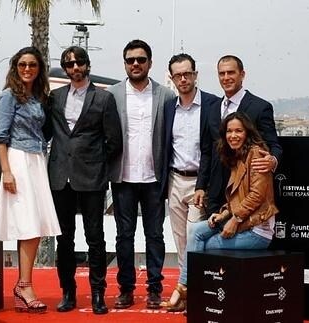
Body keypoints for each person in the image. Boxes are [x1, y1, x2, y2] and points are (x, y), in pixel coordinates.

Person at [164, 111, 279, 311]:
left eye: (238, 131)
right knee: (196, 231)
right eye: (229, 131)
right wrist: (224, 213)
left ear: (247, 133)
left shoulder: (257, 155)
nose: (233, 135)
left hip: (257, 229)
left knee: (205, 245)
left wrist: (234, 219)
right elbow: (237, 197)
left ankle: (190, 294)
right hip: (241, 221)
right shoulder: (238, 155)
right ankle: (184, 288)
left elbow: (256, 196)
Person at [45, 46, 123, 315]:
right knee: (64, 239)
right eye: (69, 64)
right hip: (59, 177)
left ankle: (98, 295)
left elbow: (114, 141)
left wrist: (96, 163)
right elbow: (45, 133)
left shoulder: (103, 98)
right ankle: (67, 292)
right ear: (65, 69)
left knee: (95, 238)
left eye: (79, 63)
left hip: (91, 177)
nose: (74, 67)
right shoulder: (54, 98)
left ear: (87, 65)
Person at [0, 46, 61, 314]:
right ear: (15, 67)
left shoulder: (39, 97)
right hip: (18, 160)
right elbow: (1, 136)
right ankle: (24, 285)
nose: (27, 69)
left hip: (36, 160)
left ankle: (24, 284)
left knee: (34, 226)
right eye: (22, 64)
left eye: (32, 65)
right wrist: (6, 171)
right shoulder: (8, 97)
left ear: (39, 68)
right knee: (28, 225)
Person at [107, 39, 176, 310]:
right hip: (122, 177)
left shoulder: (165, 96)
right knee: (124, 236)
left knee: (155, 236)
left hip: (153, 178)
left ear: (150, 62)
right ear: (124, 63)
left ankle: (155, 289)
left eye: (141, 59)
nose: (135, 64)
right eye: (130, 60)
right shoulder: (111, 94)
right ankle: (126, 289)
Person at [194, 55, 282, 224]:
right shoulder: (211, 109)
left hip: (244, 193)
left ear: (242, 74)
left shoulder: (260, 107)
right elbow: (207, 152)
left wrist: (273, 161)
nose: (226, 78)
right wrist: (200, 186)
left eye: (231, 72)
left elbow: (273, 145)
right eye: (222, 74)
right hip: (216, 193)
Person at [161, 53, 219, 268]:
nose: (183, 79)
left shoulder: (213, 104)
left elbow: (213, 148)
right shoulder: (168, 107)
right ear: (172, 78)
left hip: (200, 184)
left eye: (187, 74)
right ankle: (186, 287)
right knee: (179, 237)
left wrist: (204, 184)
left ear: (195, 75)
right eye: (178, 75)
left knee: (194, 235)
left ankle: (196, 284)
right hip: (175, 180)